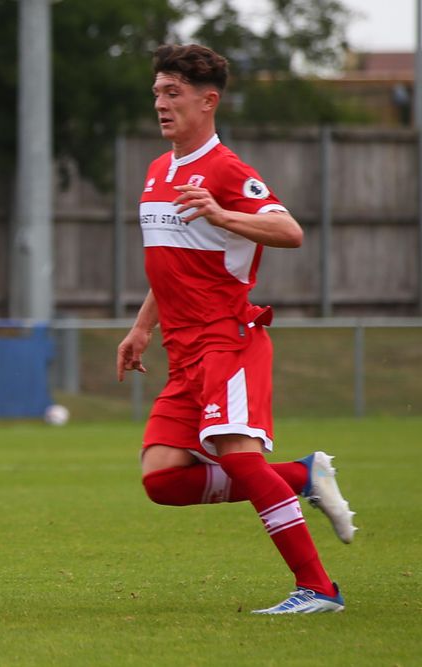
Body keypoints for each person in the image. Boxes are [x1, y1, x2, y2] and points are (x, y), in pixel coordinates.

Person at [116, 44, 357, 614]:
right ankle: (301, 474)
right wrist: (141, 328)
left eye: (174, 93)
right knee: (162, 478)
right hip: (183, 350)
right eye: (157, 93)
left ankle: (319, 589)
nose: (161, 104)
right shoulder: (159, 171)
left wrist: (224, 215)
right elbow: (172, 263)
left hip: (228, 339)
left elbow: (290, 231)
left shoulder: (228, 169)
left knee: (242, 460)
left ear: (208, 100)